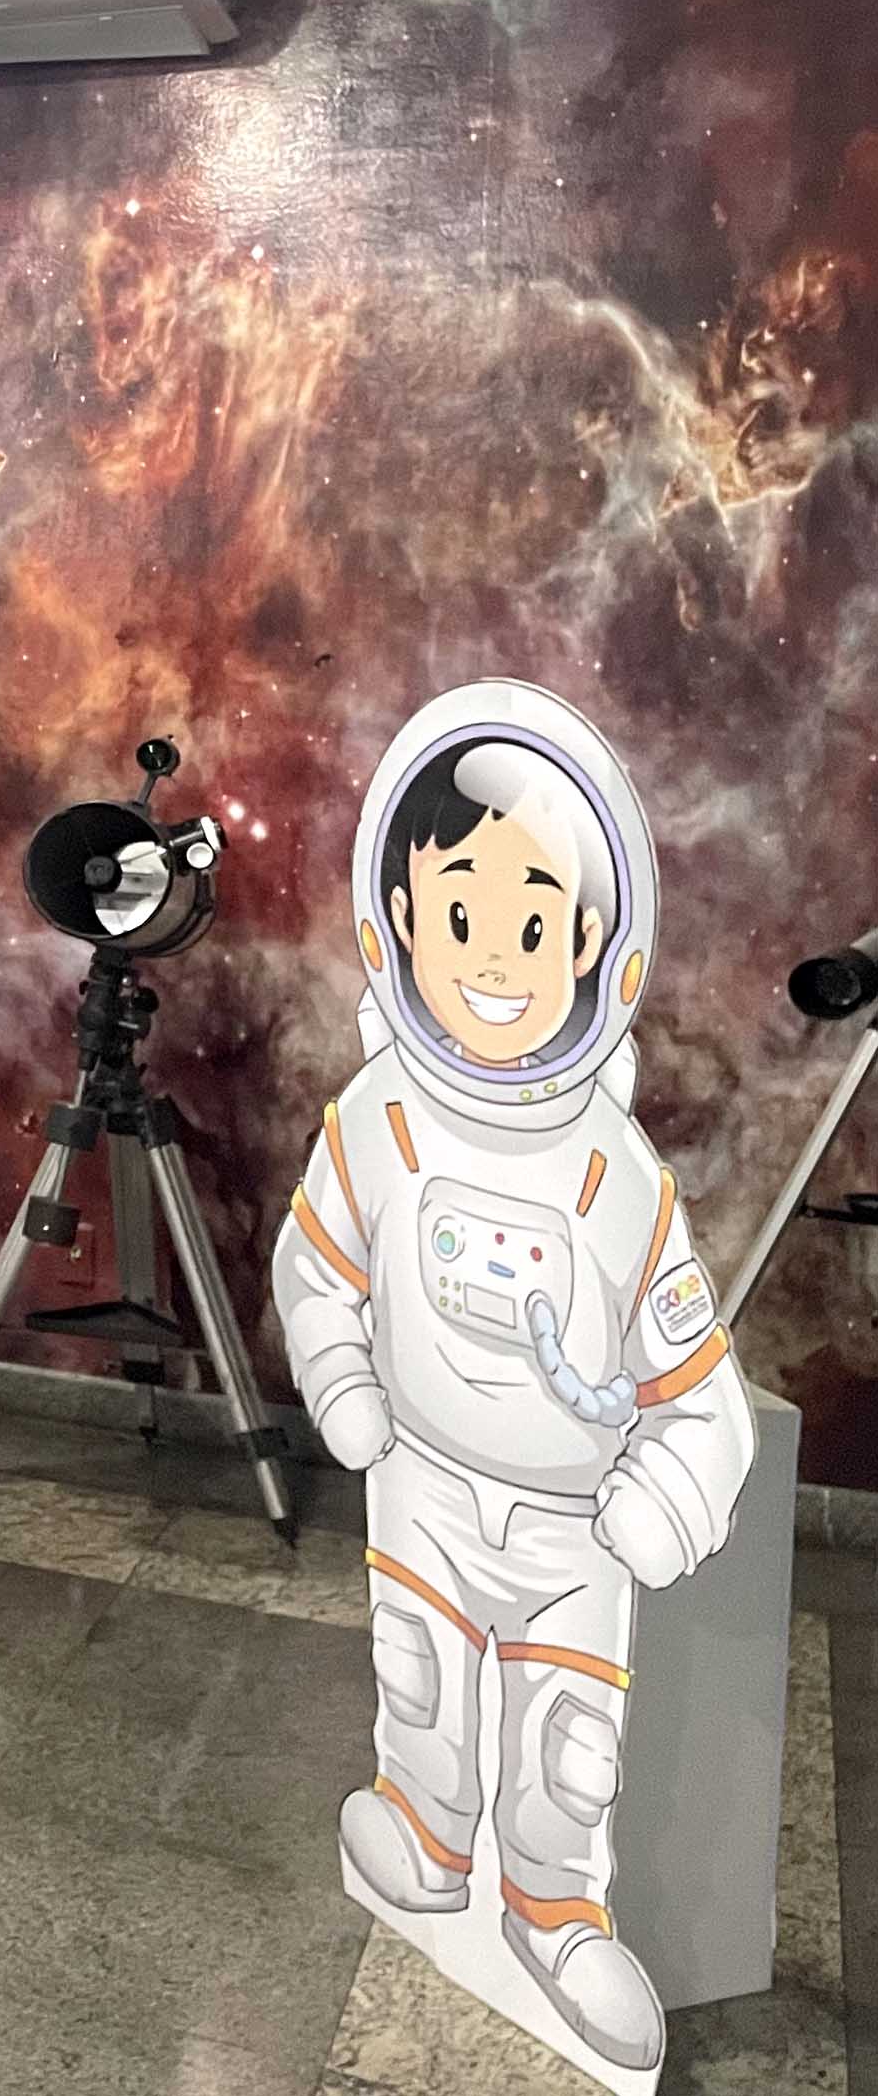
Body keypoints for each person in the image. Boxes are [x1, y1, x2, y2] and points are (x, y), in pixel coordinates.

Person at [272, 678, 753, 2075]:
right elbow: (316, 1267)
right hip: (420, 1488)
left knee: (567, 1746)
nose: (495, 958)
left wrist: (659, 1503)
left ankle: (557, 1913)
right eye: (463, 918)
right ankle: (425, 1839)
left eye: (533, 926)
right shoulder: (379, 1121)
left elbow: (701, 1395)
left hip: (567, 1527)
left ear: (594, 942)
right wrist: (345, 1387)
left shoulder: (612, 1175)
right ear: (400, 924)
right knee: (417, 1686)